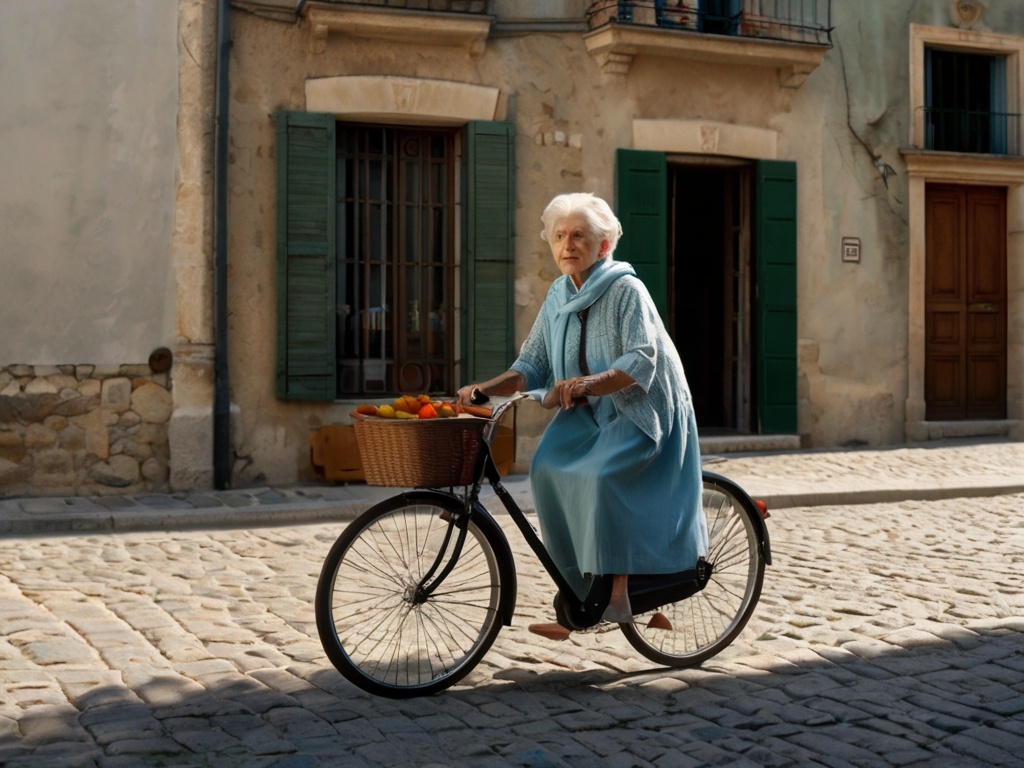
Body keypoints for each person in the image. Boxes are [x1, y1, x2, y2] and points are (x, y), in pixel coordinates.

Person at [458, 192, 708, 640]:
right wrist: (484, 390)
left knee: (601, 477)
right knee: (547, 468)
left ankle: (620, 589)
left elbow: (642, 359)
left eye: (579, 236)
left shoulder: (626, 289)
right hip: (591, 410)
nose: (567, 245)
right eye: (559, 236)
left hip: (641, 408)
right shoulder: (559, 293)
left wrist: (587, 385)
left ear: (603, 245)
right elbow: (531, 363)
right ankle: (578, 595)